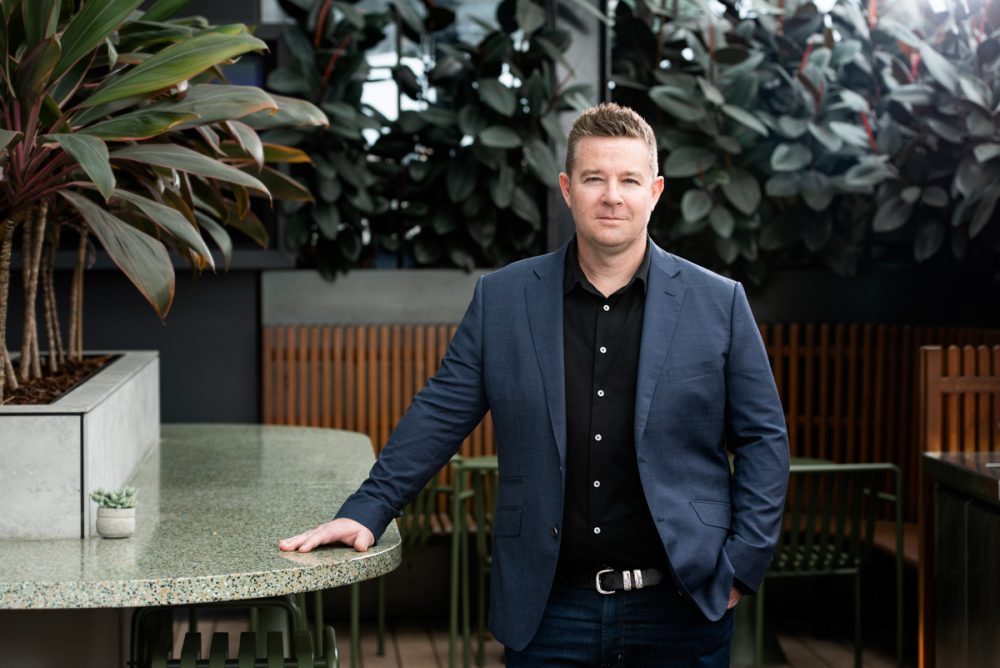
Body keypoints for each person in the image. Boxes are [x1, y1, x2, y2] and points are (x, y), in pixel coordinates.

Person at [280, 102, 790, 667]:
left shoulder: (719, 303)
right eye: (595, 178)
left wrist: (744, 563)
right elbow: (440, 413)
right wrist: (369, 508)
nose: (612, 195)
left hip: (683, 605)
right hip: (549, 610)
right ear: (569, 189)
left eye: (629, 180)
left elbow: (764, 439)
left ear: (656, 191)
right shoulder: (504, 298)